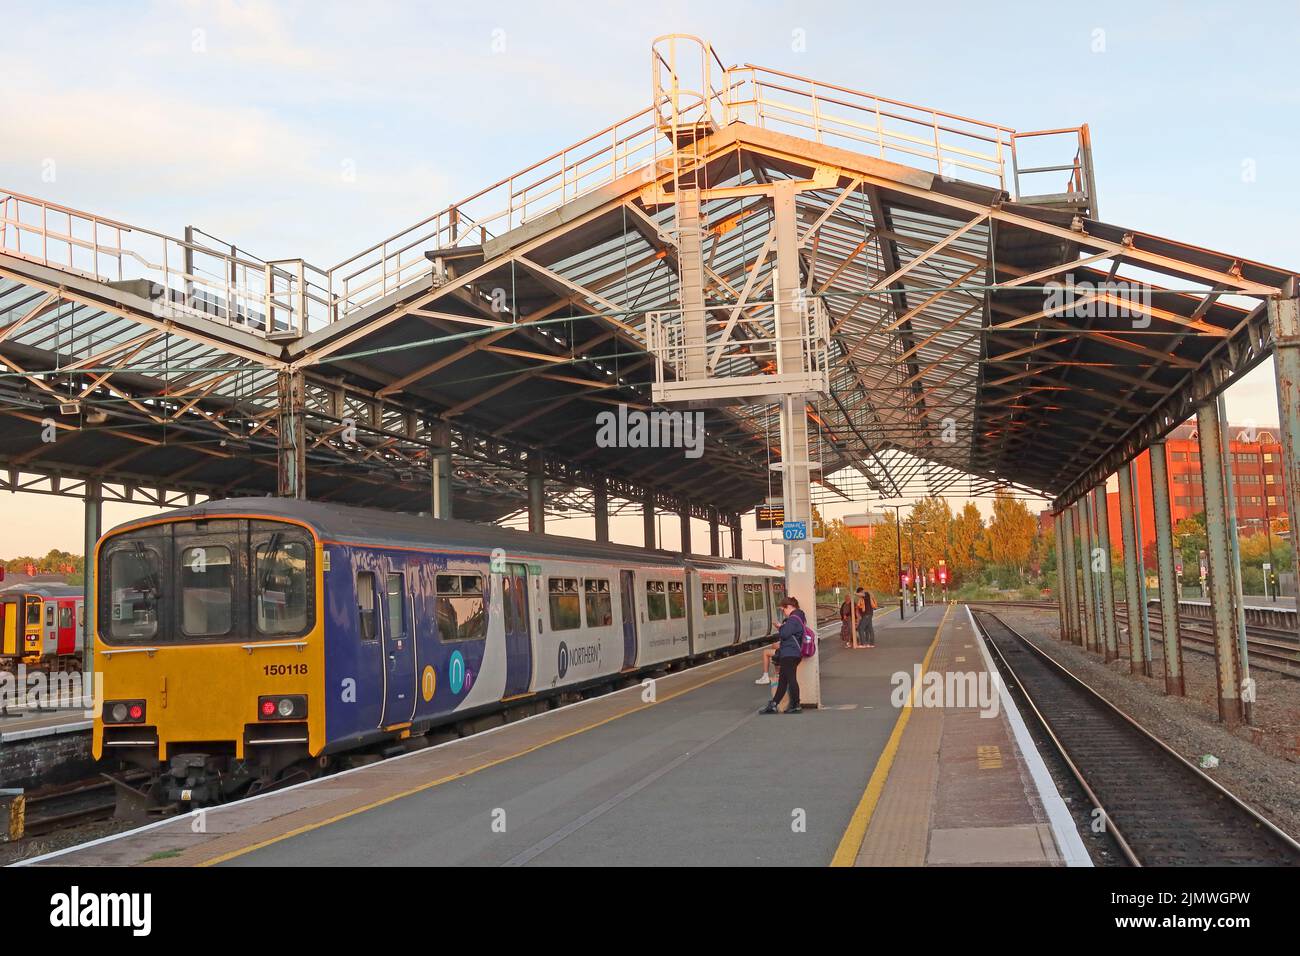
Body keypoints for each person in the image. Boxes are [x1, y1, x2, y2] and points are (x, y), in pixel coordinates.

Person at [760, 597, 804, 715]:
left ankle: (796, 705)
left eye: (783, 610)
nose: (783, 612)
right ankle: (774, 704)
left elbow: (784, 634)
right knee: (783, 680)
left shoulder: (793, 619)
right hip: (791, 653)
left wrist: (780, 626)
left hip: (790, 653)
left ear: (789, 607)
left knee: (791, 680)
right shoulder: (798, 617)